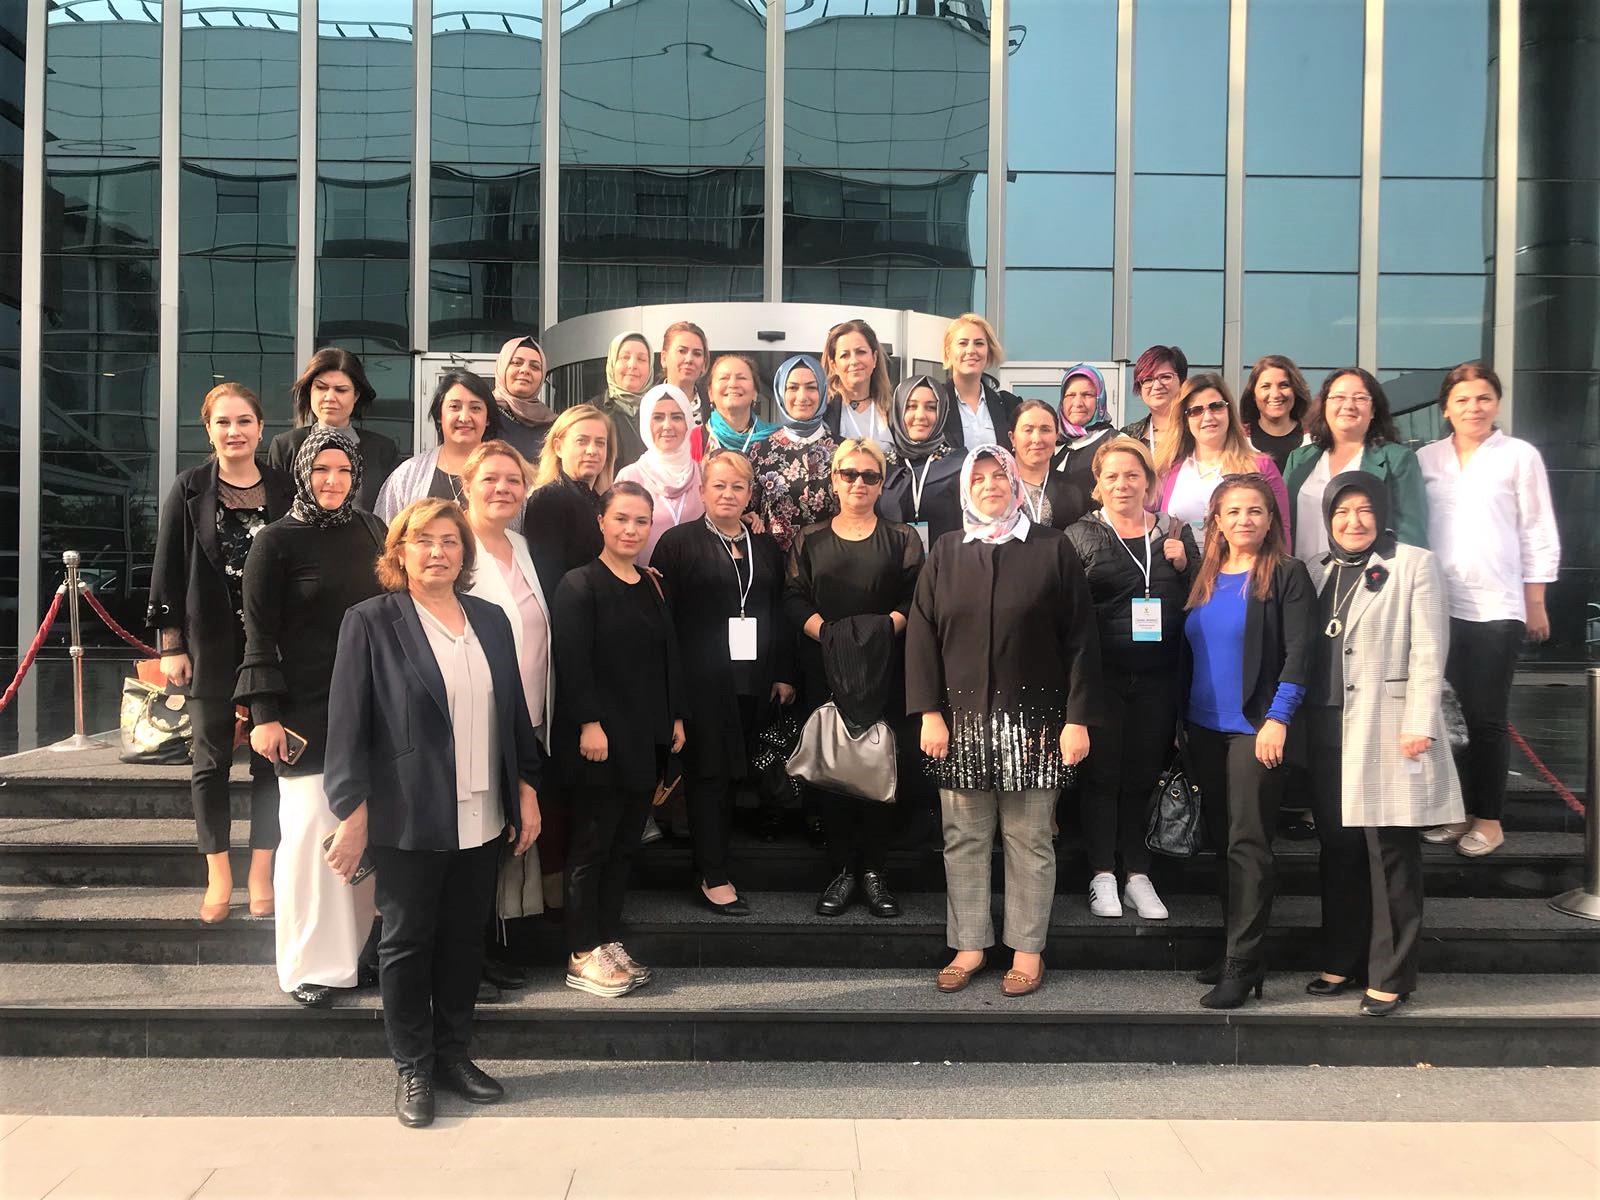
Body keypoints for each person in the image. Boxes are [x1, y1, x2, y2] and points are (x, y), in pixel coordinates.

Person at [323, 498, 543, 1127]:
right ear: (400, 551)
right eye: (423, 540)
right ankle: (413, 1066)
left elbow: (514, 713)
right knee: (407, 941)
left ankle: (453, 1054)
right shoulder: (370, 621)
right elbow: (348, 725)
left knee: (464, 938)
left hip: (482, 809)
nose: (438, 552)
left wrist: (527, 788)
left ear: (464, 552)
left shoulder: (490, 619)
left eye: (450, 540)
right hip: (409, 811)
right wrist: (353, 813)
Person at [908, 445, 1101, 998]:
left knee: (1030, 839)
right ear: (965, 488)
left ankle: (1027, 951)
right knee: (963, 838)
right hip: (960, 723)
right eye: (979, 478)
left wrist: (1077, 719)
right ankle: (969, 945)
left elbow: (1081, 638)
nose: (990, 485)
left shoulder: (1051, 547)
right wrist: (928, 712)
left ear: (1016, 484)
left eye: (1000, 476)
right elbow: (921, 634)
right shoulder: (947, 551)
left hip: (1036, 725)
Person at [1301, 472, 1465, 1016]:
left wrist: (1419, 721)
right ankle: (1341, 957)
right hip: (1326, 726)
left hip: (1387, 726)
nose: (1353, 521)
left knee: (1389, 852)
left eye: (1364, 510)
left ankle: (1392, 973)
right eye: (1341, 512)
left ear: (1382, 513)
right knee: (1339, 848)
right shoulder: (1316, 569)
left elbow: (1429, 651)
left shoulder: (1413, 565)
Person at [236, 425, 385, 1006]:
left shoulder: (373, 530)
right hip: (302, 713)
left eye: (344, 470)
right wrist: (264, 714)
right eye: (321, 469)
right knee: (309, 837)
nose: (333, 480)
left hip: (371, 704)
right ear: (302, 472)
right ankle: (309, 965)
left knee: (363, 840)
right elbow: (258, 636)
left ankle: (356, 957)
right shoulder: (274, 541)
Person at [148, 382, 293, 924]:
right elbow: (167, 566)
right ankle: (219, 874)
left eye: (244, 421)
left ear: (261, 427)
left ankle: (261, 872)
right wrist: (170, 645)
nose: (235, 432)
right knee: (210, 762)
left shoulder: (285, 488)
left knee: (271, 761)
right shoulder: (190, 487)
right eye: (223, 422)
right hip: (208, 642)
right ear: (208, 430)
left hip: (272, 646)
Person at [1181, 474, 1316, 1008]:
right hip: (1203, 729)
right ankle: (1235, 949)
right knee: (1224, 845)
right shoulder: (1205, 574)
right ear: (1216, 520)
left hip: (1255, 730)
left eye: (1255, 511)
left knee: (1248, 845)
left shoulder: (1286, 573)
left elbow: (1301, 652)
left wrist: (1278, 718)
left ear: (1270, 519)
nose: (1244, 520)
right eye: (1233, 511)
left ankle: (1244, 963)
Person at [1417, 362, 1560, 858]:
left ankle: (1489, 819)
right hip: (1438, 603)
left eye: (1483, 398)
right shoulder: (1427, 458)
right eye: (1462, 400)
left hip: (1497, 605)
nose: (1473, 408)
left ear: (1496, 403)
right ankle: (1455, 811)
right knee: (1443, 717)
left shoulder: (1519, 456)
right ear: (1446, 408)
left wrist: (1535, 600)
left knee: (1485, 716)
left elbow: (1537, 529)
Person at [550, 482, 686, 997]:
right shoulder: (579, 584)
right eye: (621, 519)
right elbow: (572, 660)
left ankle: (607, 940)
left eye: (641, 521)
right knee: (592, 847)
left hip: (644, 736)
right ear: (601, 522)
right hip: (600, 741)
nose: (631, 529)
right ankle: (581, 952)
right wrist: (589, 722)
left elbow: (667, 654)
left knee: (625, 846)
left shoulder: (650, 584)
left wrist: (675, 717)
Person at [784, 439, 924, 919]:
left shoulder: (903, 538)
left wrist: (878, 634)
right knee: (835, 768)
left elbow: (915, 598)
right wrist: (833, 638)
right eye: (849, 474)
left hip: (887, 667)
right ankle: (843, 869)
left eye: (870, 475)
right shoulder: (809, 539)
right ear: (834, 480)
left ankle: (875, 871)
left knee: (879, 765)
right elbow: (793, 597)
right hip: (825, 666)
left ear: (882, 483)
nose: (858, 483)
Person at [654, 453, 796, 916]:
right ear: (702, 491)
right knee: (709, 774)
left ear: (750, 494)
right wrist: (672, 689)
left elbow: (777, 609)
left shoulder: (764, 546)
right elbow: (663, 621)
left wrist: (782, 672)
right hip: (701, 681)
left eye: (737, 487)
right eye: (718, 485)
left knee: (735, 774)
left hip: (754, 679)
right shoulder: (678, 544)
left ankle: (716, 862)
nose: (728, 494)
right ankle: (712, 876)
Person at [1066, 437, 1198, 921]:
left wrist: (1185, 565)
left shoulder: (1174, 534)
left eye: (1132, 475)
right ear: (1098, 485)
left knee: (1142, 776)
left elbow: (1199, 600)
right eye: (1112, 476)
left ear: (1149, 483)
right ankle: (1102, 873)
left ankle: (1138, 874)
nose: (1122, 484)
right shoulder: (1078, 536)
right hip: (1101, 679)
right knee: (1102, 777)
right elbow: (1066, 613)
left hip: (1157, 679)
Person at [460, 440, 558, 980]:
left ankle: (489, 948)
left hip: (529, 715)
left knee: (505, 833)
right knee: (476, 837)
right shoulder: (455, 544)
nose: (503, 489)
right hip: (477, 716)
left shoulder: (520, 545)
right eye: (491, 479)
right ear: (467, 485)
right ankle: (467, 956)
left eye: (514, 480)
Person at [1284, 368, 1428, 568]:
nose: (1348, 405)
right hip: (1301, 579)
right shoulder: (1299, 459)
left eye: (1360, 398)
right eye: (1338, 397)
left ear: (1373, 410)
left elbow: (1411, 537)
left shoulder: (1398, 459)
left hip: (1367, 580)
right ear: (1325, 405)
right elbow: (1281, 525)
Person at [1156, 374, 1291, 546]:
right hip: (1182, 563)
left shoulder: (1261, 466)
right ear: (1185, 420)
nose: (1208, 417)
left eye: (1216, 407)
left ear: (1229, 411)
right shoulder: (1167, 470)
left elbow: (1281, 533)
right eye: (1196, 411)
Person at [267, 348, 400, 511]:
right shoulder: (286, 446)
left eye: (341, 390)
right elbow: (276, 512)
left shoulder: (382, 450)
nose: (329, 397)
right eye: (321, 387)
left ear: (356, 395)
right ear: (310, 391)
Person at [374, 368, 503, 522]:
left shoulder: (508, 474)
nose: (464, 417)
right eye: (454, 407)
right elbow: (383, 532)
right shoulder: (407, 475)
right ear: (439, 415)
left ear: (488, 418)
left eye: (475, 408)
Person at [522, 404, 615, 599]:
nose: (592, 450)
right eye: (582, 441)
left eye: (600, 443)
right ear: (558, 447)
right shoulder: (547, 500)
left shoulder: (602, 502)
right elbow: (551, 581)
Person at [747, 354, 838, 551]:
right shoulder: (760, 452)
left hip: (833, 561)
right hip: (776, 562)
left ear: (823, 391)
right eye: (793, 387)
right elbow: (748, 513)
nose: (802, 397)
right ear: (781, 392)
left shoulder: (843, 451)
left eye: (811, 387)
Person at [615, 384, 704, 565]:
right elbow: (615, 537)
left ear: (688, 422)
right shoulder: (630, 477)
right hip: (644, 579)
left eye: (677, 417)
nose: (667, 426)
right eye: (658, 417)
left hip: (697, 580)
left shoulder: (703, 475)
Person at [877, 375, 964, 550]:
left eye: (931, 407)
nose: (921, 416)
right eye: (911, 406)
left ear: (942, 413)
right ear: (898, 410)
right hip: (889, 563)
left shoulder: (959, 465)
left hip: (945, 562)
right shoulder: (880, 466)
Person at [1008, 400, 1090, 530]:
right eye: (1028, 430)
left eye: (1045, 430)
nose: (1037, 439)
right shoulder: (995, 487)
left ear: (1056, 436)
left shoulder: (1076, 491)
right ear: (1012, 438)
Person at [939, 313, 1015, 451]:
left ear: (988, 351)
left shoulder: (1008, 405)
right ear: (948, 351)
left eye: (979, 343)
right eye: (963, 343)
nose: (971, 350)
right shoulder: (935, 403)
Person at [822, 319, 894, 453]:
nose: (854, 361)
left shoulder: (893, 409)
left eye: (861, 352)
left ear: (874, 358)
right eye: (845, 355)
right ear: (834, 365)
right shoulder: (823, 412)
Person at [691, 354, 780, 460]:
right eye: (724, 378)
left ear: (755, 393)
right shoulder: (690, 441)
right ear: (710, 393)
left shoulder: (777, 439)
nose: (733, 384)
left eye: (741, 378)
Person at [1051, 364, 1118, 499]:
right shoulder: (1050, 443)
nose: (1078, 403)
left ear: (1100, 399)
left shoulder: (1116, 443)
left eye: (1087, 395)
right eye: (1070, 395)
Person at [588, 331, 653, 469]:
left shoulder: (660, 410)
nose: (632, 365)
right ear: (612, 363)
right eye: (625, 357)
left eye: (641, 359)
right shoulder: (592, 411)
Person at [490, 335, 556, 463]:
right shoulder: (484, 414)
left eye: (535, 367)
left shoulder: (553, 424)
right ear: (502, 367)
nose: (525, 370)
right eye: (516, 363)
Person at [1240, 355, 1312, 474]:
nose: (1275, 394)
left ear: (1295, 391)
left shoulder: (1314, 440)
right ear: (1253, 394)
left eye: (1284, 385)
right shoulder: (1238, 439)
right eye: (1265, 386)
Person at [1122, 344, 1187, 455]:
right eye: (1148, 379)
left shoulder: (1197, 430)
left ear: (1182, 382)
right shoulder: (1128, 437)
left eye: (1165, 377)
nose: (1157, 386)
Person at [658, 320, 710, 419]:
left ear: (704, 364)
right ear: (664, 358)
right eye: (682, 351)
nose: (689, 359)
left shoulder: (716, 409)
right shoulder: (646, 404)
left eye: (697, 354)